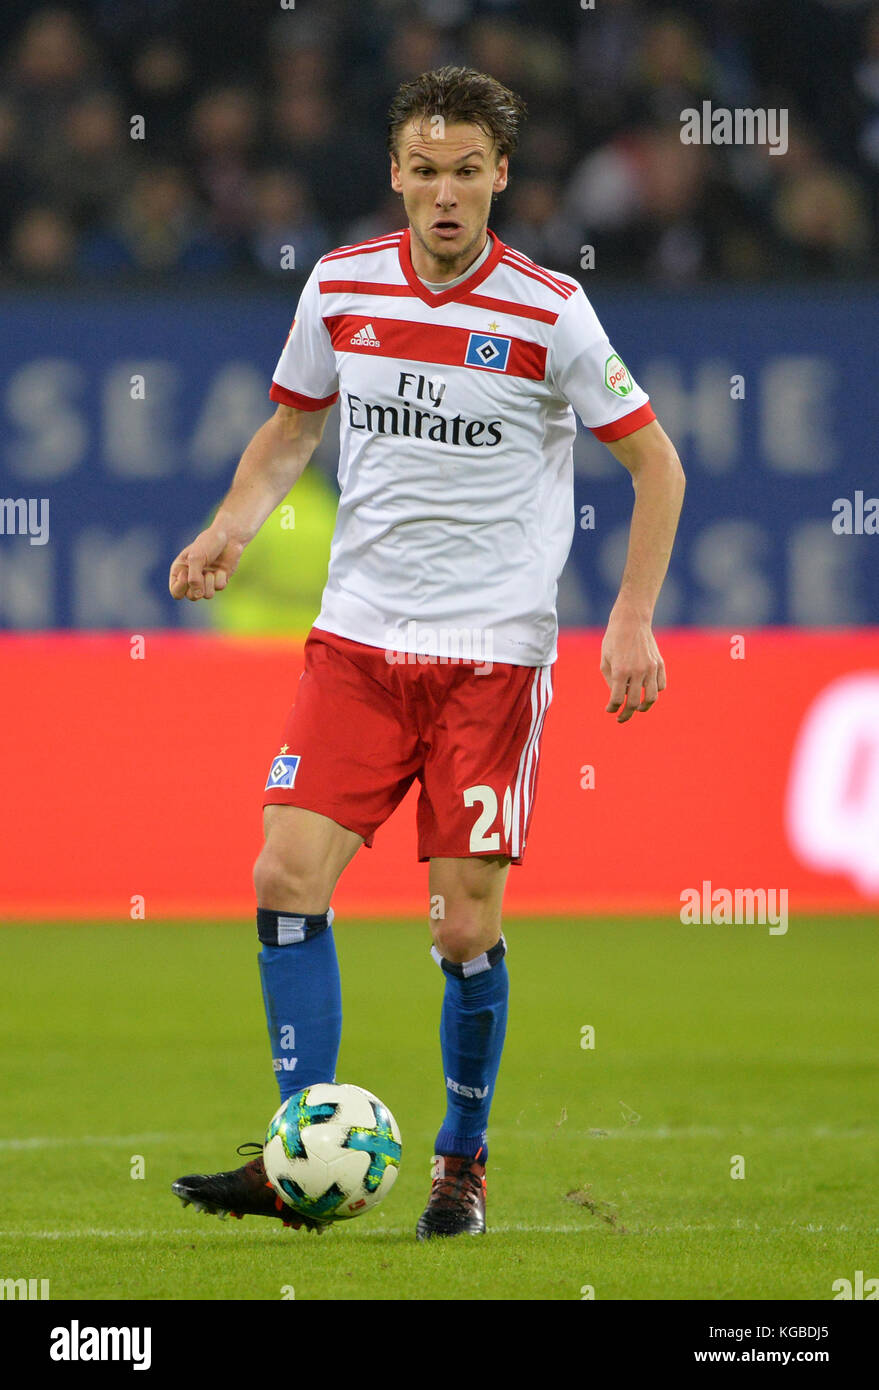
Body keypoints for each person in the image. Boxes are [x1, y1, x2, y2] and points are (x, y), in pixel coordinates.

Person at [168, 66, 685, 1241]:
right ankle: (302, 1146)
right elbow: (295, 424)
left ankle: (461, 1160)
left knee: (463, 927)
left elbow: (657, 464)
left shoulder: (551, 310)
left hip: (493, 657)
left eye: (467, 174)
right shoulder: (340, 285)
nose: (444, 195)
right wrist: (230, 528)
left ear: (500, 177)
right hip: (358, 641)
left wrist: (631, 616)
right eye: (424, 171)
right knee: (282, 877)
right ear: (395, 172)